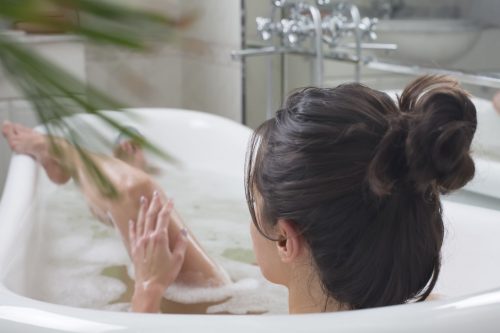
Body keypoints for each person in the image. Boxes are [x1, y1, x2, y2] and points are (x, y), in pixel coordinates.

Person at [3, 75, 477, 314]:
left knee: (139, 198)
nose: (250, 217)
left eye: (253, 205)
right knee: (142, 204)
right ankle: (83, 165)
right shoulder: (430, 308)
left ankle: (67, 156)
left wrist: (146, 293)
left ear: (287, 239)